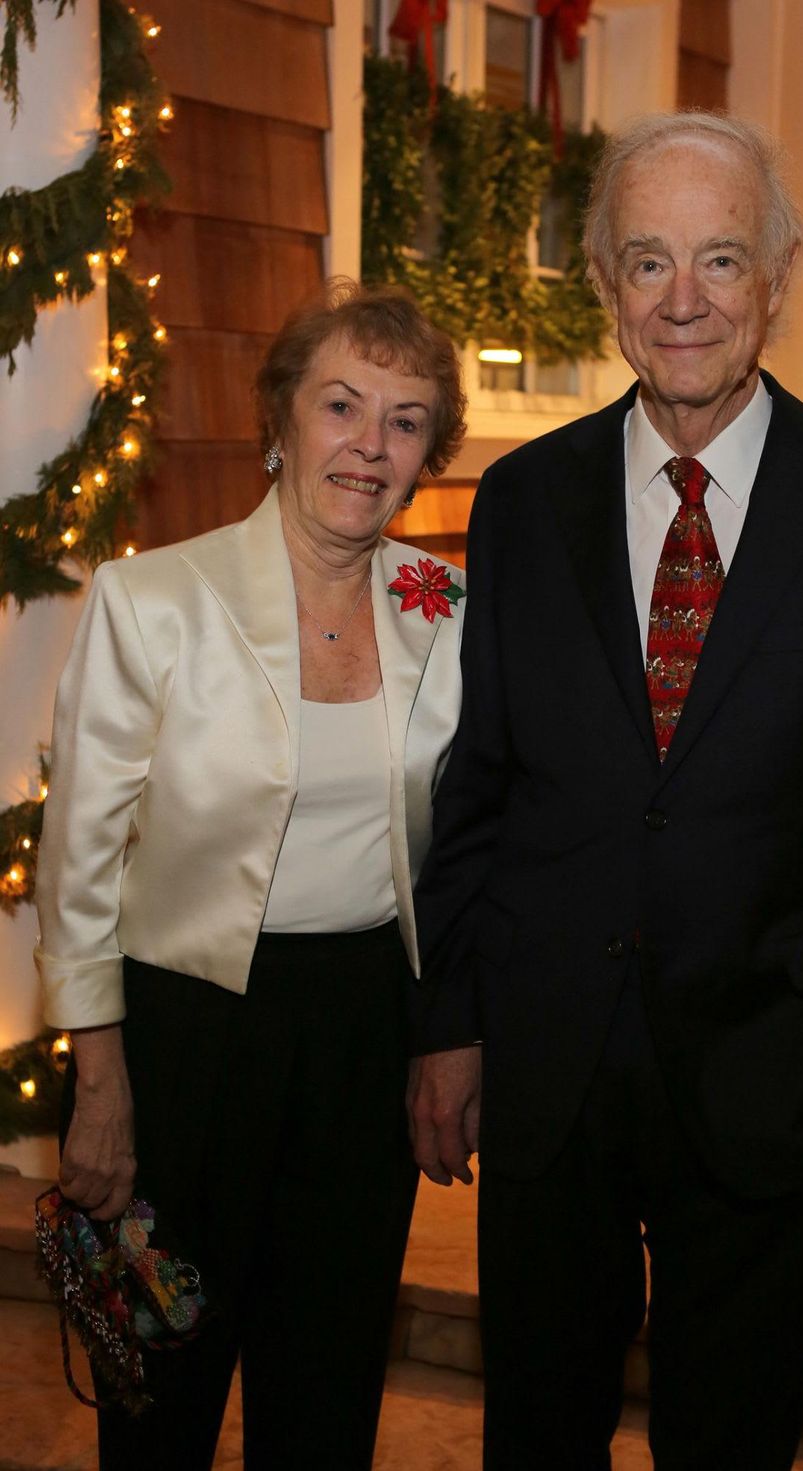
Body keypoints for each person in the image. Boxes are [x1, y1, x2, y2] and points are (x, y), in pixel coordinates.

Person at [407, 113, 803, 1471]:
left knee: (733, 1434)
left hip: (776, 1064)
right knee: (537, 1429)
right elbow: (475, 776)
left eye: (720, 259)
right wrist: (448, 1021)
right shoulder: (523, 500)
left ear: (777, 273)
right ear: (602, 281)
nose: (684, 302)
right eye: (648, 261)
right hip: (551, 1073)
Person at [34, 280, 467, 1470]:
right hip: (186, 1034)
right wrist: (102, 1083)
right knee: (160, 1384)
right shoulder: (154, 600)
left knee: (326, 1383)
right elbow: (79, 865)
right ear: (279, 420)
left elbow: (477, 839)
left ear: (429, 452)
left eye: (405, 419)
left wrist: (454, 1028)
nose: (368, 446)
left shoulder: (452, 611)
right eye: (341, 406)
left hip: (367, 1029)